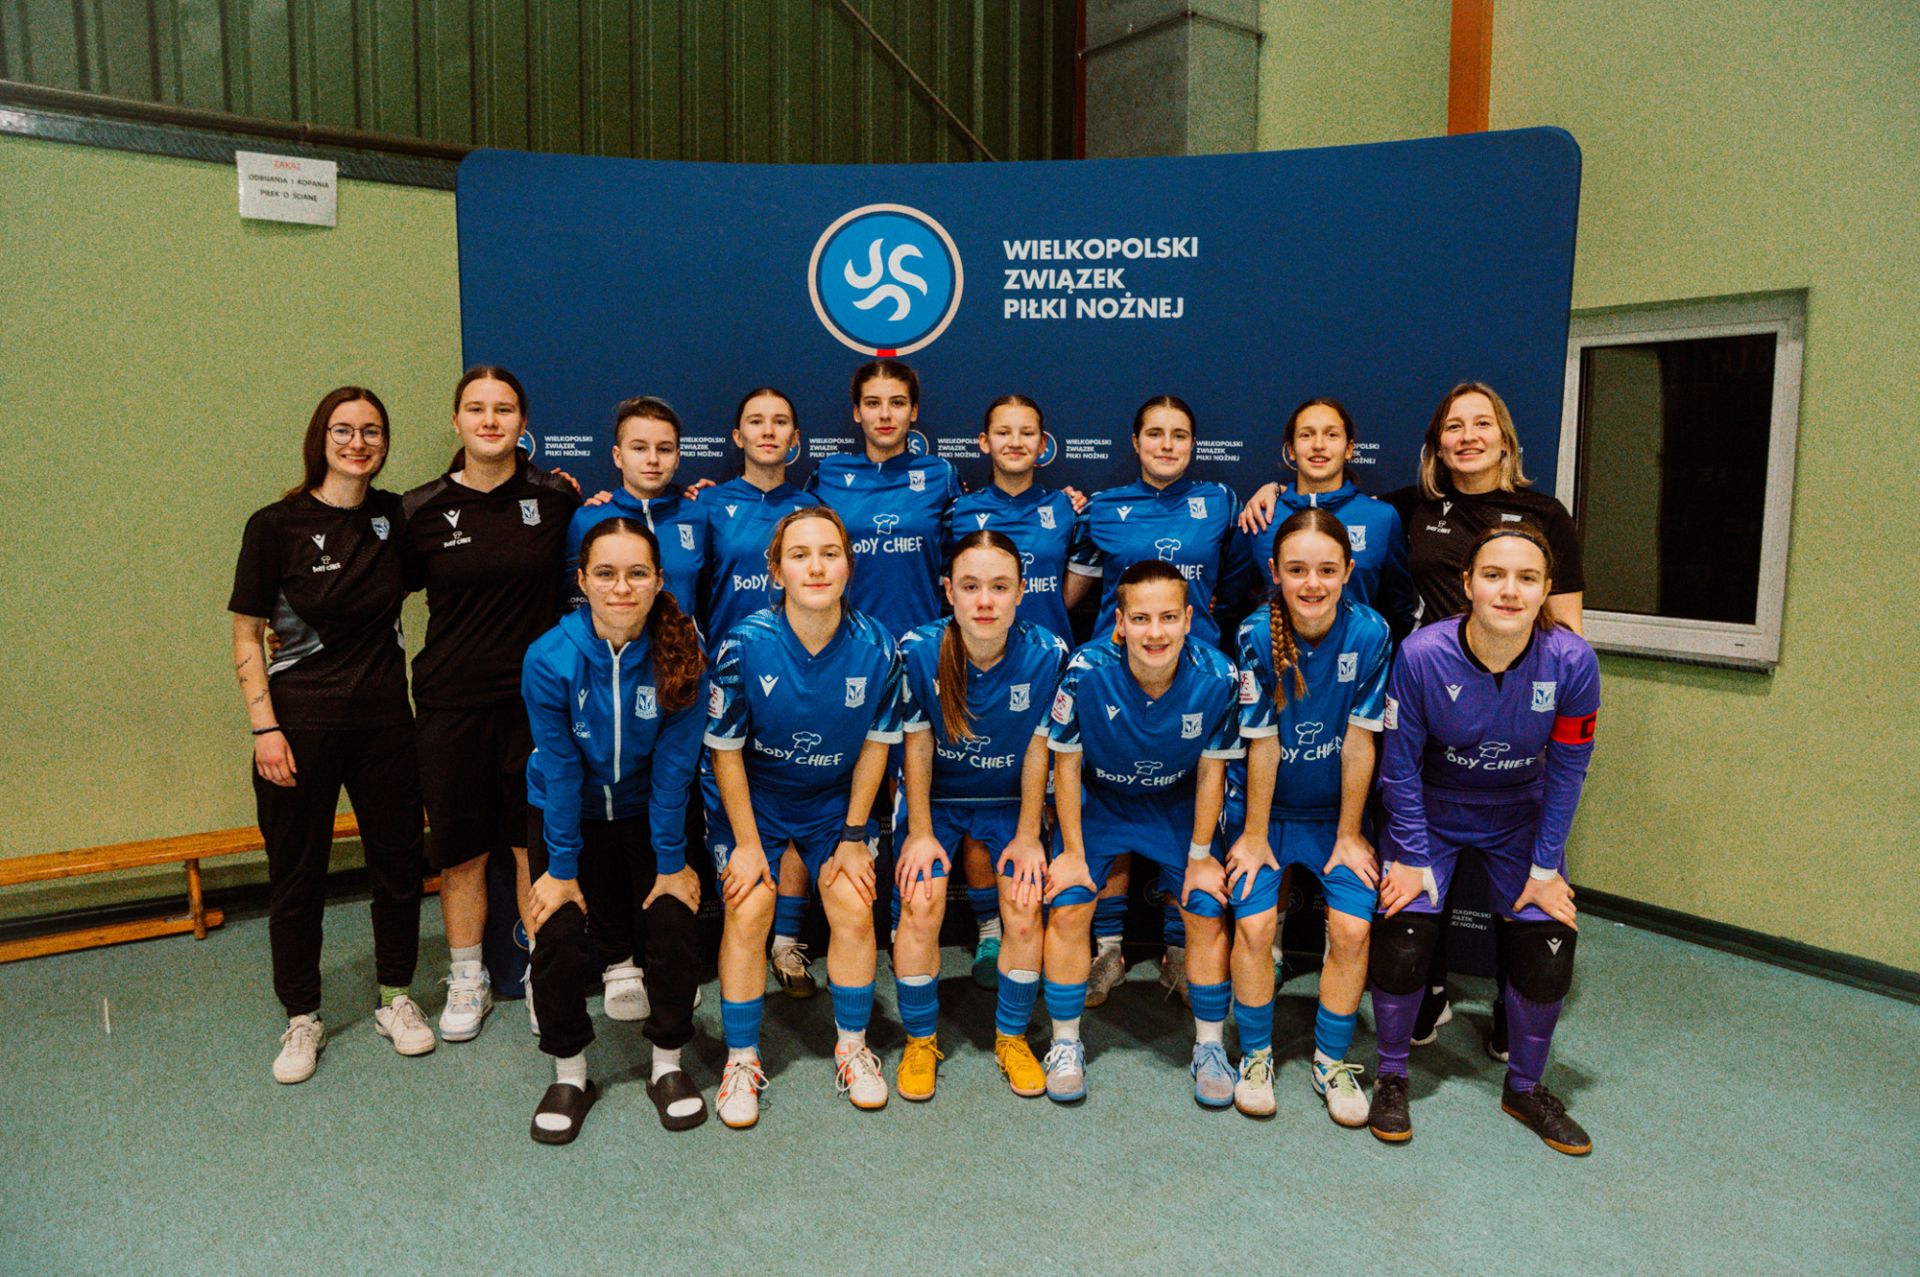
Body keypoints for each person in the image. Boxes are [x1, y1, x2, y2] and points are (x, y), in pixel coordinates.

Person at [1366, 523, 1599, 1155]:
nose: (1509, 591)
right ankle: (1391, 1075)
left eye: (1527, 578)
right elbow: (1399, 768)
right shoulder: (1421, 655)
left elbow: (1569, 772)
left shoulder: (1573, 662)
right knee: (1404, 932)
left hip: (1520, 812)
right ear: (1467, 583)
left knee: (1549, 944)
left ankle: (1525, 1087)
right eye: (1493, 575)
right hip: (1431, 809)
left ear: (1546, 589)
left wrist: (1546, 869)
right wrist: (1411, 857)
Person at [229, 386, 431, 1083]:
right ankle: (302, 1015)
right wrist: (264, 727)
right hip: (297, 728)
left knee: (399, 868)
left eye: (372, 431)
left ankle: (395, 996)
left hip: (385, 725)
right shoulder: (274, 525)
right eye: (343, 430)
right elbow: (248, 635)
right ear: (321, 438)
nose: (358, 442)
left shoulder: (396, 518)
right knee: (297, 878)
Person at [1391, 383, 1587, 1059]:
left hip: (1515, 708)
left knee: (1521, 873)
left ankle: (1511, 998)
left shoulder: (1545, 514)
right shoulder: (1413, 508)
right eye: (1454, 426)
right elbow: (1331, 508)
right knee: (1426, 866)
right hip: (1435, 705)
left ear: (1505, 437)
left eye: (1482, 424)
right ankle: (1430, 989)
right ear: (1437, 443)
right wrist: (1279, 494)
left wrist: (1543, 706)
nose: (1468, 436)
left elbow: (1568, 626)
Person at [705, 508, 904, 1128]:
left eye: (829, 553)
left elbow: (876, 747)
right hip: (755, 801)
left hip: (832, 804)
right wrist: (746, 844)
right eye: (799, 555)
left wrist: (854, 836)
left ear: (849, 565)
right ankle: (741, 1060)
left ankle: (853, 1047)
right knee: (749, 906)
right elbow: (725, 751)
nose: (816, 567)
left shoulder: (879, 647)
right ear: (776, 571)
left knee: (853, 903)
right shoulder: (744, 644)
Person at [400, 366, 579, 1043]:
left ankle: (540, 975)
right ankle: (467, 977)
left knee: (532, 846)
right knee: (462, 853)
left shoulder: (555, 498)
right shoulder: (419, 510)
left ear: (522, 423)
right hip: (450, 704)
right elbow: (372, 595)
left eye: (504, 409)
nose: (490, 420)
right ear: (457, 422)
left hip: (533, 706)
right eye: (476, 409)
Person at [1039, 560, 1245, 1106]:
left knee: (1205, 906)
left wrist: (1200, 855)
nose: (1156, 632)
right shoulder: (1086, 670)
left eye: (1169, 618)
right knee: (1068, 904)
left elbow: (1212, 771)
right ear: (1120, 623)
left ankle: (1209, 1046)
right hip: (1101, 803)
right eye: (1142, 618)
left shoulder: (1218, 676)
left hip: (1174, 805)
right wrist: (1073, 851)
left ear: (1189, 620)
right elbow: (1065, 762)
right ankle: (1064, 1043)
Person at [1068, 395, 1247, 1002]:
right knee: (1111, 796)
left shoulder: (1221, 501)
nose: (1167, 445)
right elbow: (1076, 587)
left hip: (1192, 678)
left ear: (1193, 444)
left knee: (1183, 802)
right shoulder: (1101, 508)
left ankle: (1177, 948)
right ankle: (1108, 949)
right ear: (1135, 442)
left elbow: (1238, 579)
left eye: (1180, 435)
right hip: (1115, 677)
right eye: (1155, 434)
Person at [1224, 508, 1391, 1123]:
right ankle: (1256, 1055)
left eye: (1326, 570)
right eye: (1297, 570)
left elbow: (1360, 742)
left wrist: (1348, 835)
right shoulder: (1253, 634)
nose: (1312, 584)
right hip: (1265, 812)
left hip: (1332, 815)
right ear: (1275, 572)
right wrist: (1253, 836)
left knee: (1350, 931)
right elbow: (1262, 743)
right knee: (1254, 927)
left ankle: (1330, 1060)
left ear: (1348, 571)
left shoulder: (1371, 633)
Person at [894, 532, 1069, 1101]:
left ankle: (1011, 1038)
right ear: (949, 591)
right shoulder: (918, 650)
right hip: (937, 802)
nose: (985, 601)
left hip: (1008, 803)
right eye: (970, 587)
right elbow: (917, 745)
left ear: (1021, 591)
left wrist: (1029, 835)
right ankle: (920, 1040)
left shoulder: (1047, 653)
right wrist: (920, 833)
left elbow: (1040, 750)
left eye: (999, 587)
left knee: (1024, 907)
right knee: (921, 902)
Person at [688, 387, 826, 1000]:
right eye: (755, 421)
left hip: (802, 680)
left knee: (798, 799)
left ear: (796, 438)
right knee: (739, 812)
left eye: (780, 422)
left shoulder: (813, 507)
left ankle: (786, 942)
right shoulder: (708, 505)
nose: (768, 431)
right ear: (737, 436)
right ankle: (743, 935)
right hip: (733, 684)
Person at [1228, 397, 1415, 633]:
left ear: (1349, 449)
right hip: (1277, 652)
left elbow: (1400, 609)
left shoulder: (1382, 518)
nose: (1318, 445)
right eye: (1306, 435)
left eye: (1331, 435)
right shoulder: (1260, 516)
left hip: (1356, 653)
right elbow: (1231, 606)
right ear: (1291, 449)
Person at [807, 359, 962, 639]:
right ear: (857, 413)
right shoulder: (828, 474)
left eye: (898, 403)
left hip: (921, 642)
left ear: (913, 411)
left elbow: (961, 563)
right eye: (873, 403)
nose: (885, 415)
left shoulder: (941, 475)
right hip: (847, 644)